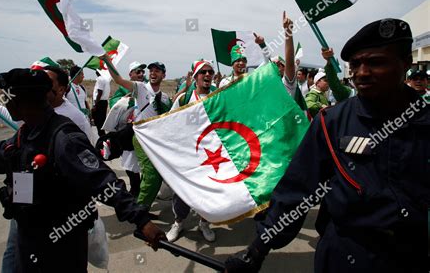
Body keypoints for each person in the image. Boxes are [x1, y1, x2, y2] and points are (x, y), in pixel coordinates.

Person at [225, 18, 429, 273]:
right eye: (355, 65)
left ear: (406, 63)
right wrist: (257, 249)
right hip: (345, 255)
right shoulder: (330, 123)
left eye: (375, 62)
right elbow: (296, 191)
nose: (362, 73)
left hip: (413, 257)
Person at [0, 68, 165, 272]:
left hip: (60, 244)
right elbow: (2, 152)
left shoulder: (64, 138)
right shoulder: (27, 132)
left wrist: (141, 220)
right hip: (28, 236)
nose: (6, 101)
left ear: (25, 100)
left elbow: (101, 180)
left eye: (9, 97)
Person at [106, 59, 172, 211]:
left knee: (153, 176)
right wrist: (106, 60)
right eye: (151, 70)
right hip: (141, 138)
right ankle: (140, 212)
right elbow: (118, 80)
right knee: (151, 176)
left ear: (164, 75)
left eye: (157, 70)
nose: (153, 73)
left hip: (156, 141)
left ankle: (143, 208)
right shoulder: (141, 88)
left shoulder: (164, 98)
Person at [166, 59, 217, 242]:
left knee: (208, 192)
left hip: (211, 156)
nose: (208, 75)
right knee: (182, 193)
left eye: (210, 72)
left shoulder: (218, 96)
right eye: (203, 72)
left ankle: (204, 223)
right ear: (195, 76)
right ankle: (179, 222)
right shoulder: (184, 98)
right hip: (187, 156)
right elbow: (168, 123)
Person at [92, 71, 110, 136]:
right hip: (103, 102)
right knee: (101, 122)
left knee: (99, 123)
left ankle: (102, 139)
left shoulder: (100, 79)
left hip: (99, 103)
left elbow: (100, 92)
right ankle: (103, 138)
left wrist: (95, 105)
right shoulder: (106, 79)